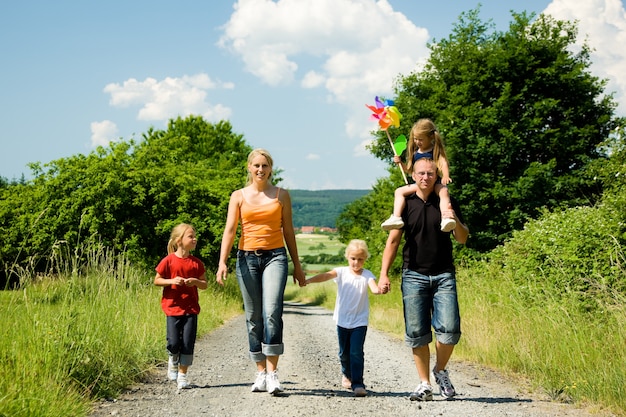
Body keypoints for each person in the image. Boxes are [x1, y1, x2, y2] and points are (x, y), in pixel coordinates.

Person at [378, 157, 469, 401]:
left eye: (430, 173)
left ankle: (439, 371)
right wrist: (384, 274)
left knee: (449, 329)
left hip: (443, 274)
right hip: (413, 274)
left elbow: (462, 238)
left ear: (436, 176)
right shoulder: (406, 203)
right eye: (421, 173)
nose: (425, 177)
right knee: (417, 332)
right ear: (413, 175)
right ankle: (424, 383)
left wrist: (454, 219)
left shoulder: (445, 200)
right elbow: (394, 241)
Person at [216, 148, 306, 396]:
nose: (260, 170)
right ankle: (260, 372)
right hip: (246, 258)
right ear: (249, 168)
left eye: (264, 166)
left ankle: (273, 373)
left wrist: (297, 265)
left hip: (275, 257)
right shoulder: (238, 196)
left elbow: (289, 231)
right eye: (256, 165)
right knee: (253, 316)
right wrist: (222, 262)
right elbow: (230, 230)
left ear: (270, 169)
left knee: (271, 312)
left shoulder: (281, 195)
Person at [304, 239, 382, 397]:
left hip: (360, 321)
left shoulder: (367, 275)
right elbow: (326, 276)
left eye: (360, 259)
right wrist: (309, 280)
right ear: (347, 257)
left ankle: (358, 383)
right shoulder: (341, 272)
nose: (356, 262)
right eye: (353, 258)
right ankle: (347, 375)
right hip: (342, 320)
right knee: (343, 353)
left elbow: (374, 289)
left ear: (365, 259)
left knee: (356, 352)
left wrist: (381, 289)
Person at [154, 223, 208, 390]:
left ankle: (183, 375)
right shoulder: (168, 261)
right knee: (173, 342)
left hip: (191, 309)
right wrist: (171, 281)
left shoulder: (196, 263)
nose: (194, 239)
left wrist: (195, 282)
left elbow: (205, 284)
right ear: (179, 241)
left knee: (187, 342)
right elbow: (157, 280)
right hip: (172, 308)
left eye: (194, 236)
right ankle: (172, 358)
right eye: (190, 236)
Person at [381, 119, 456, 233]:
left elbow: (443, 163)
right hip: (419, 185)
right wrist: (400, 163)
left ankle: (446, 218)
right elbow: (410, 171)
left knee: (444, 191)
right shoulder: (415, 153)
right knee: (399, 191)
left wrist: (446, 175)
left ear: (431, 137)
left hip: (434, 183)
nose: (417, 141)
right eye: (415, 139)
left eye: (420, 139)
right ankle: (396, 217)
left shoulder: (435, 150)